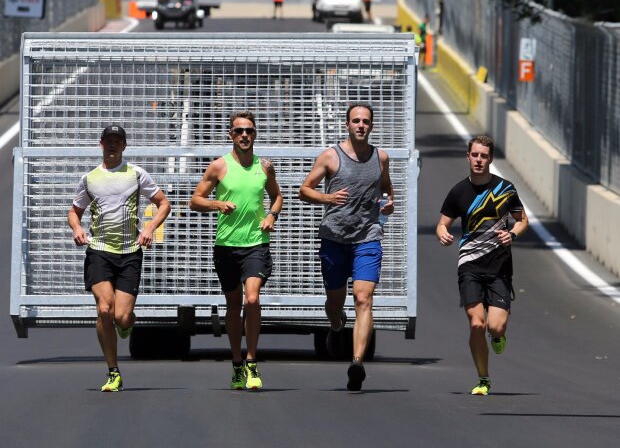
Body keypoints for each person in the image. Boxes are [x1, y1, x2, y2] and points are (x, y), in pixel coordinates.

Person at [68, 124, 171, 392]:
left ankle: (125, 326)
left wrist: (149, 229)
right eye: (109, 140)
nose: (113, 145)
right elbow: (74, 211)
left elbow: (164, 203)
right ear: (101, 144)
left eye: (118, 141)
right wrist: (78, 229)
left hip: (129, 252)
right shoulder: (89, 179)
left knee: (122, 317)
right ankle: (113, 371)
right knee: (105, 309)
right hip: (100, 250)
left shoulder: (136, 174)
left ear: (124, 146)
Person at [299, 103, 394, 392]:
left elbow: (388, 192)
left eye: (366, 121)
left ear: (372, 126)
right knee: (335, 302)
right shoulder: (331, 156)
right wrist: (327, 199)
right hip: (334, 238)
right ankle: (336, 323)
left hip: (368, 236)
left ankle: (356, 362)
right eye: (356, 121)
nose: (361, 125)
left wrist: (388, 204)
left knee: (363, 298)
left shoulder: (381, 157)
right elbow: (305, 189)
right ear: (347, 125)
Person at [189, 110, 283, 390]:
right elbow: (195, 200)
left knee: (251, 299)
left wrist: (271, 216)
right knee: (233, 305)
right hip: (226, 245)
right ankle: (236, 364)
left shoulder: (264, 167)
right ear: (230, 134)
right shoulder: (219, 167)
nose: (245, 135)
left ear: (255, 134)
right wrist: (218, 204)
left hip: (256, 243)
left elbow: (277, 196)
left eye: (250, 131)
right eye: (239, 131)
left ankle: (253, 363)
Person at [436, 135, 528, 396]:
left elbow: (522, 220)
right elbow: (442, 223)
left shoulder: (505, 189)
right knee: (476, 324)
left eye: (483, 156)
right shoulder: (458, 191)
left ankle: (498, 335)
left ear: (490, 159)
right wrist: (442, 232)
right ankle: (483, 379)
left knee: (494, 326)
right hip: (469, 266)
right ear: (468, 156)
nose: (478, 160)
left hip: (499, 267)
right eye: (474, 155)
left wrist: (513, 234)